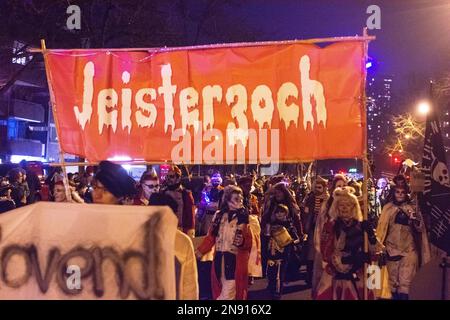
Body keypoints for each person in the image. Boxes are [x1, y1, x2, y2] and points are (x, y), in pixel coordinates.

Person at [315, 187, 382, 300]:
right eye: (341, 205)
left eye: (348, 205)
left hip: (359, 272)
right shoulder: (331, 226)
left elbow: (375, 251)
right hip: (337, 274)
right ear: (336, 207)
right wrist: (344, 261)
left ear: (354, 207)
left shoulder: (361, 226)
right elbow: (325, 250)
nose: (345, 208)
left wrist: (371, 236)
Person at [196, 185, 253, 300]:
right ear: (227, 200)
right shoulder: (219, 216)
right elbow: (211, 237)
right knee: (220, 290)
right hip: (219, 261)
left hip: (235, 262)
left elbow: (250, 242)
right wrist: (198, 252)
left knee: (228, 293)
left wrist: (242, 241)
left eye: (241, 199)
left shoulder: (244, 218)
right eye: (236, 199)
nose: (240, 201)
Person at [376, 185, 430, 300]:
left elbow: (420, 229)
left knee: (406, 285)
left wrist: (416, 220)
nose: (400, 194)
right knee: (392, 285)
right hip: (391, 251)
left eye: (402, 192)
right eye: (397, 192)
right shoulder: (388, 208)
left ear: (406, 193)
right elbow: (382, 229)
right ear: (393, 193)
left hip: (409, 251)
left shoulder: (412, 208)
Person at [311, 173, 347, 298]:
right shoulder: (326, 206)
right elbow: (319, 229)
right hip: (327, 248)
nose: (341, 189)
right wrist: (320, 249)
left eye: (343, 186)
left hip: (344, 250)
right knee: (326, 283)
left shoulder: (350, 204)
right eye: (338, 186)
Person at [266, 204, 301, 299]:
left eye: (282, 212)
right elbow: (267, 237)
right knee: (270, 273)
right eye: (277, 212)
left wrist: (288, 241)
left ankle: (277, 293)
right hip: (272, 253)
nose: (279, 214)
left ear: (286, 213)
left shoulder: (289, 226)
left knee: (279, 275)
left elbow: (296, 239)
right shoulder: (272, 225)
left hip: (283, 254)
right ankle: (270, 289)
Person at [302, 176, 329, 287]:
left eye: (320, 187)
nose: (318, 189)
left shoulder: (328, 199)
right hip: (313, 228)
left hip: (324, 229)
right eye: (316, 187)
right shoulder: (310, 198)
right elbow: (305, 212)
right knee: (311, 253)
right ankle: (309, 276)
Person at [238, 175, 262, 284]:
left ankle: (250, 273)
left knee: (253, 250)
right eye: (245, 185)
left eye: (249, 185)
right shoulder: (237, 197)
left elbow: (257, 212)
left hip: (252, 228)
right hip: (240, 227)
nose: (248, 187)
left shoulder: (253, 198)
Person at [162, 165, 196, 238]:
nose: (168, 179)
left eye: (171, 176)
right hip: (165, 230)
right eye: (167, 176)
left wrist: (190, 232)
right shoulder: (163, 192)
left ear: (178, 178)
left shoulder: (185, 194)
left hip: (181, 231)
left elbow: (191, 216)